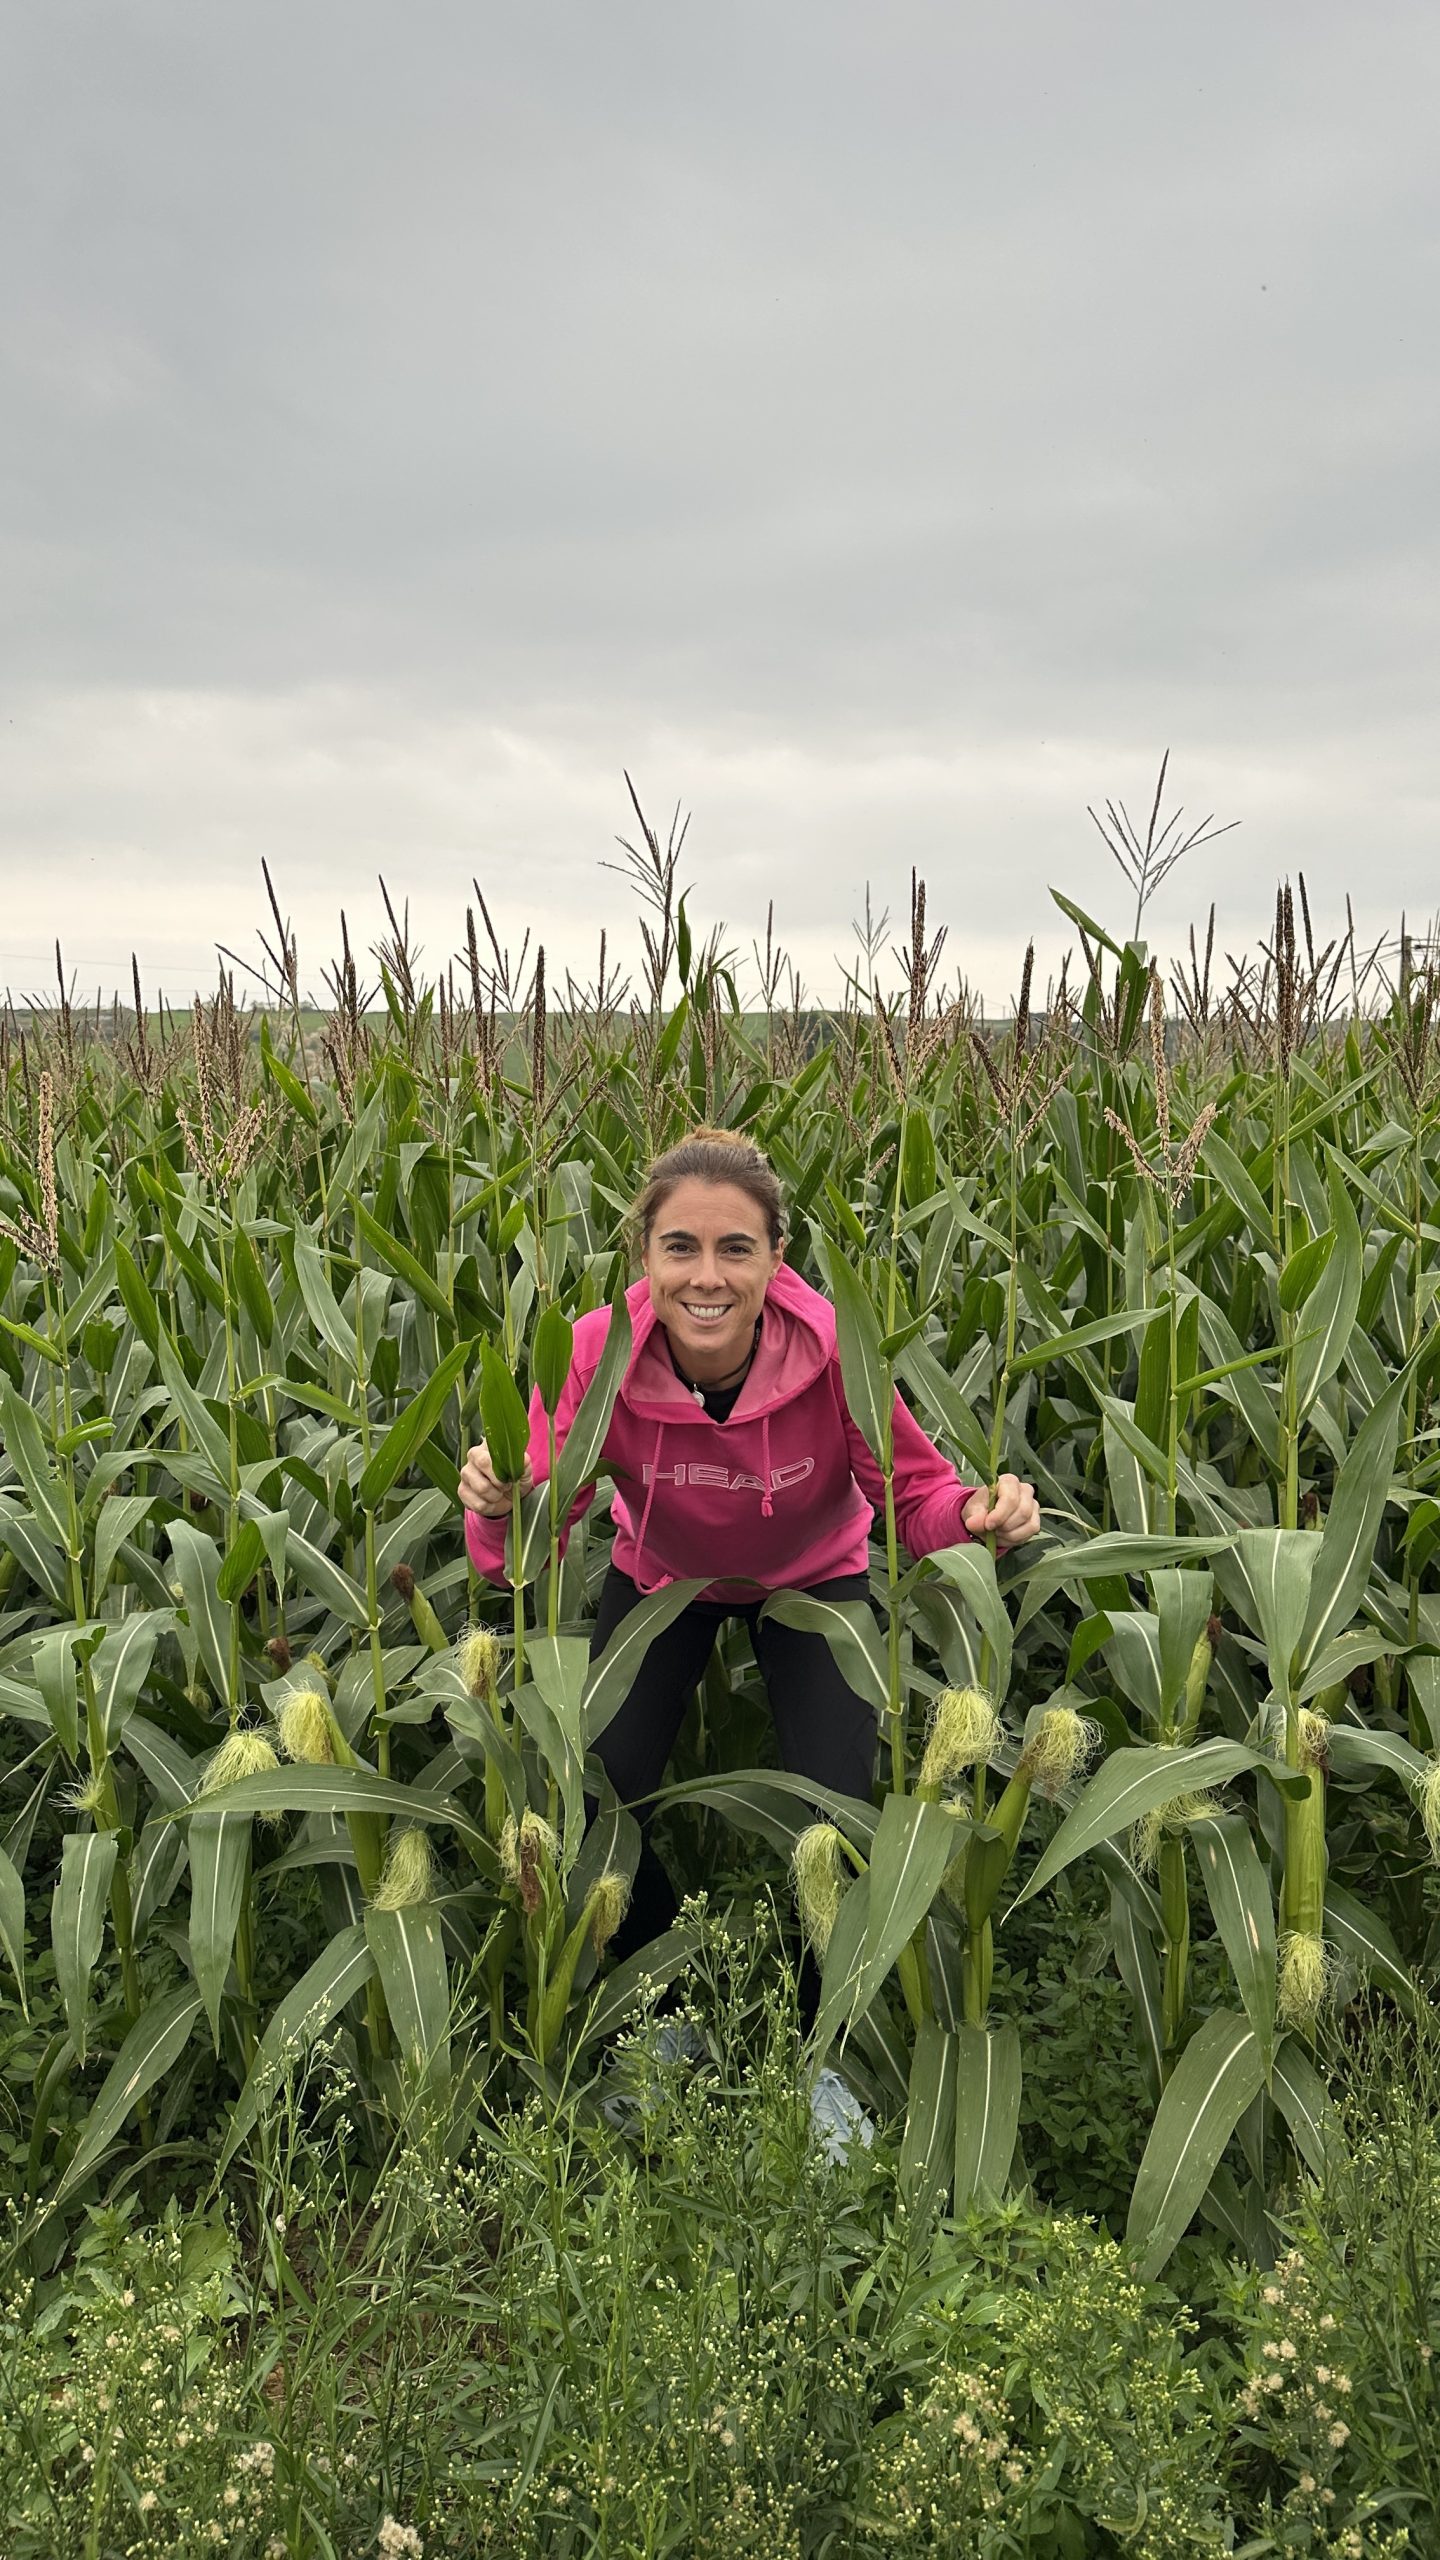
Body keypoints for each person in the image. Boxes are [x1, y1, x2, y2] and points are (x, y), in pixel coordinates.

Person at [459, 1126, 1041, 1968]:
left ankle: (820, 2021)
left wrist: (978, 1518)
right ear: (644, 1256)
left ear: (776, 1258)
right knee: (592, 1804)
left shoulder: (834, 1349)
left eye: (735, 1248)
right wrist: (498, 1503)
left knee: (836, 1823)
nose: (707, 1277)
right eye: (680, 1247)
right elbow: (529, 1538)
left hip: (811, 1584)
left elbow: (914, 1498)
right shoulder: (598, 1353)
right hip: (663, 1580)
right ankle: (661, 1991)